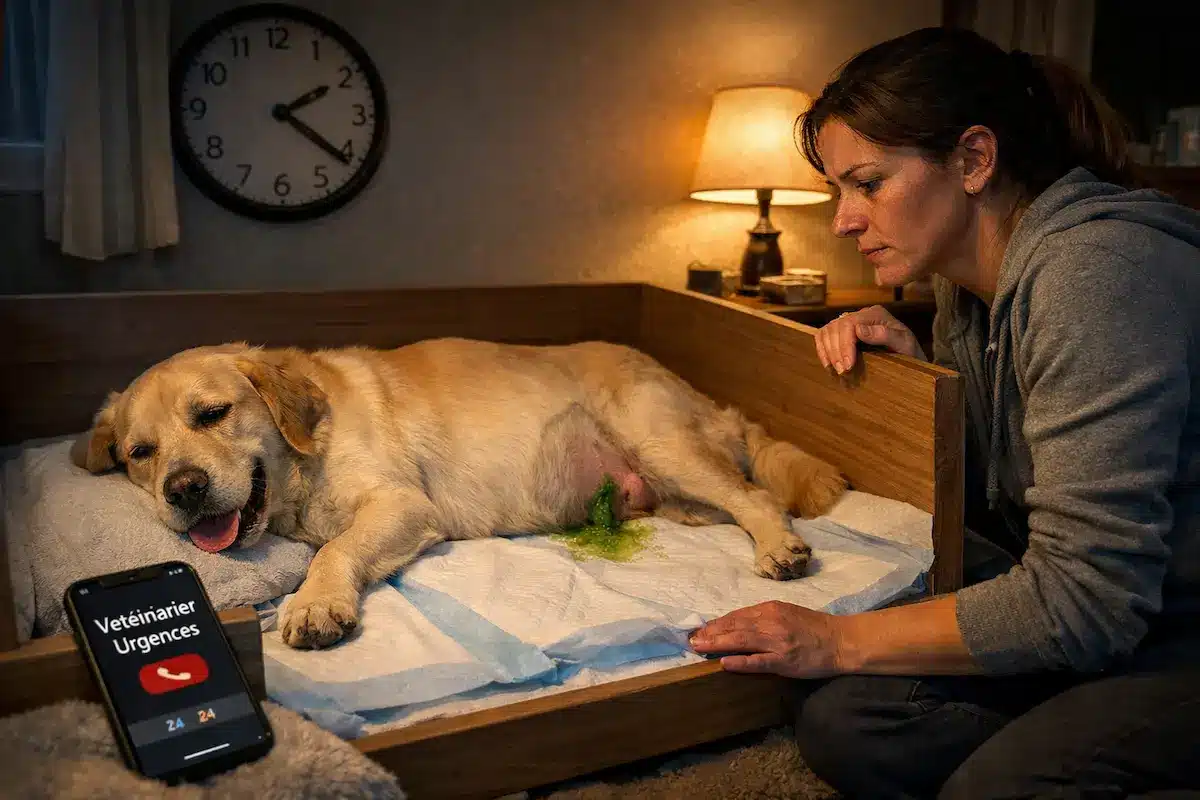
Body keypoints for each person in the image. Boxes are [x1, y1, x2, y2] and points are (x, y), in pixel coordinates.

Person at [687, 26, 1200, 800]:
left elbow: (1086, 596)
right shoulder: (969, 284)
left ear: (973, 160)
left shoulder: (1098, 273)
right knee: (845, 725)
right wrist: (925, 379)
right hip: (1126, 618)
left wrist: (839, 638)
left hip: (1168, 629)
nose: (843, 221)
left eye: (868, 183)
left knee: (983, 782)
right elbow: (1012, 492)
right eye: (837, 191)